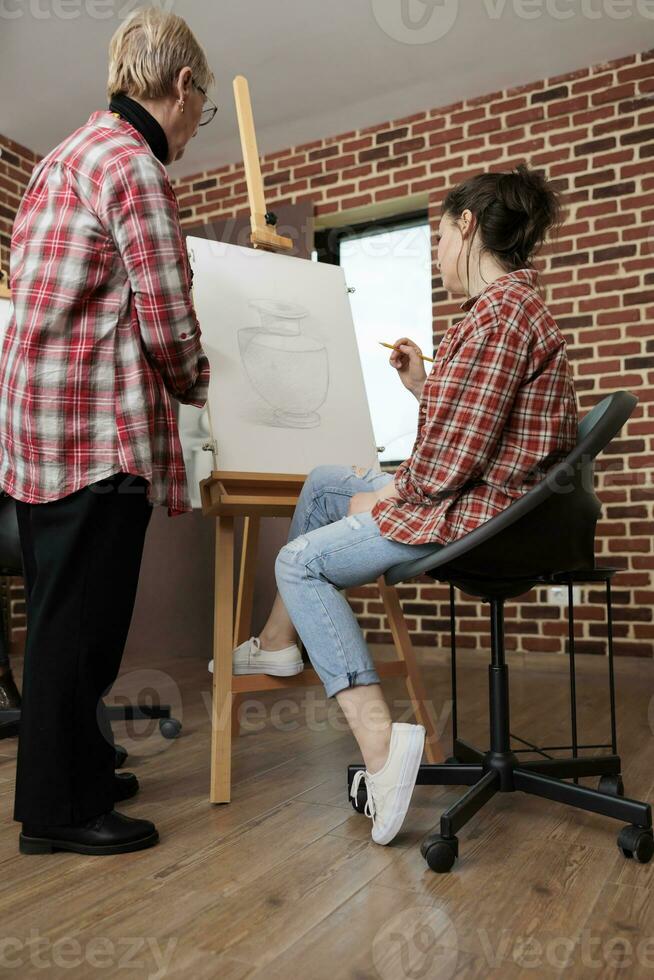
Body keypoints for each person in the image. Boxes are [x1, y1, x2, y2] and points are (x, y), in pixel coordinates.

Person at [225, 163, 579, 846]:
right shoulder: (508, 312)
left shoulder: (499, 317)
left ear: (469, 226)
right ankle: (276, 646)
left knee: (301, 564)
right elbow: (479, 428)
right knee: (326, 481)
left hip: (477, 514)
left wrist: (384, 496)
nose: (439, 253)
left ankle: (383, 752)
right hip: (486, 495)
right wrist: (426, 384)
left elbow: (447, 468)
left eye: (441, 238)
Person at [0, 7, 216, 855]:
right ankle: (57, 812)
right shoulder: (134, 165)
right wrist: (202, 384)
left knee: (64, 616)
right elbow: (166, 321)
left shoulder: (65, 156)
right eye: (197, 112)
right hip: (94, 431)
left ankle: (77, 766)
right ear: (185, 86)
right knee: (80, 628)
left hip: (40, 433)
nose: (194, 128)